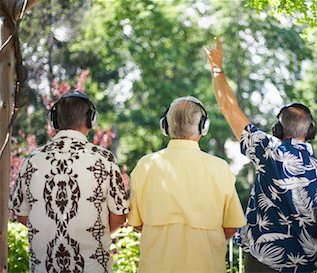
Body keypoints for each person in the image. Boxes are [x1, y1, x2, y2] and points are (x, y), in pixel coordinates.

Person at [204, 38, 317, 273]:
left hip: (261, 261)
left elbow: (228, 107)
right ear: (310, 131)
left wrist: (217, 68)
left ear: (278, 130)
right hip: (302, 264)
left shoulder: (267, 151)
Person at [9, 91, 129, 273]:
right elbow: (119, 216)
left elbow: (21, 213)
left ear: (54, 121)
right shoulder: (104, 159)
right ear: (91, 120)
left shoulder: (31, 160)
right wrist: (91, 233)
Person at [127, 96, 246, 273]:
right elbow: (231, 226)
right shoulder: (220, 168)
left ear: (165, 126)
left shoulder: (146, 165)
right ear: (203, 126)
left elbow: (136, 223)